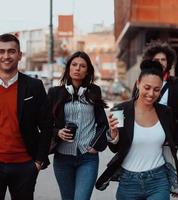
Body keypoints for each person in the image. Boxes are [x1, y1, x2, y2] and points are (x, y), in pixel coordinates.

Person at [96, 60, 178, 199]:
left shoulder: (166, 112)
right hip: (128, 182)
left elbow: (170, 149)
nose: (151, 93)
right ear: (138, 84)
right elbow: (115, 149)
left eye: (157, 89)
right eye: (147, 87)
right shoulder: (120, 110)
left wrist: (175, 179)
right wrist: (113, 135)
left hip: (159, 180)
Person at [47, 51, 109, 200]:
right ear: (68, 68)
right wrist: (57, 132)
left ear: (87, 70)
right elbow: (45, 123)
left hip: (88, 158)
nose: (78, 68)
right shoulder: (55, 93)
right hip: (62, 158)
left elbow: (102, 124)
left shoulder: (94, 91)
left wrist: (96, 145)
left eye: (82, 66)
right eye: (74, 65)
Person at [0, 33, 52, 199]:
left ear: (20, 55)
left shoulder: (34, 86)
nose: (6, 56)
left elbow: (46, 125)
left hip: (24, 165)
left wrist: (38, 162)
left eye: (11, 51)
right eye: (1, 51)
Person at [132, 41, 178, 149]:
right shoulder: (141, 82)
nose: (161, 62)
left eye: (163, 59)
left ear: (168, 62)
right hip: (143, 134)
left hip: (167, 139)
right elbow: (134, 104)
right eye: (157, 60)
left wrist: (177, 142)